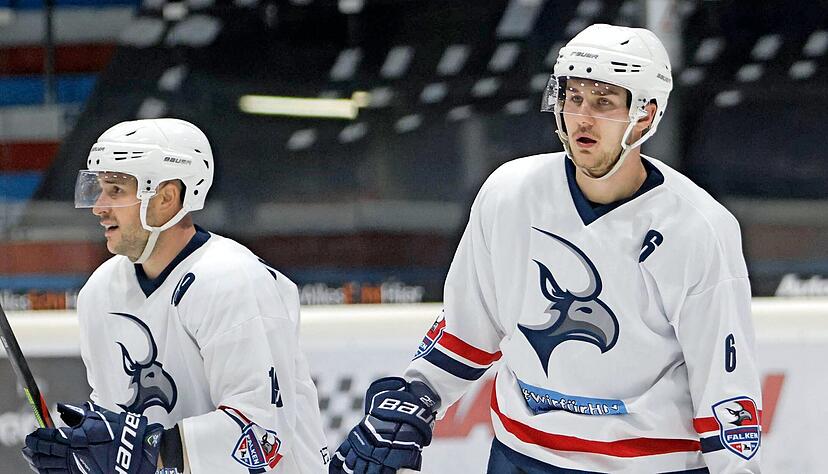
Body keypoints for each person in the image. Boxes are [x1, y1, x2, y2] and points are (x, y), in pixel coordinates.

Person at [330, 23, 761, 473]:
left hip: (648, 466)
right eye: (574, 97)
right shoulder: (510, 194)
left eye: (604, 102)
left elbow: (725, 382)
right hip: (522, 457)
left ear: (647, 115)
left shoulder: (699, 228)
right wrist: (416, 398)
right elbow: (470, 325)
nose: (583, 118)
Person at [22, 118, 329, 473]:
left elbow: (264, 438)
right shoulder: (99, 292)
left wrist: (150, 449)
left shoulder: (233, 280)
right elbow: (121, 437)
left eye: (116, 191)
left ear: (167, 197)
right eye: (99, 188)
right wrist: (89, 455)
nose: (99, 207)